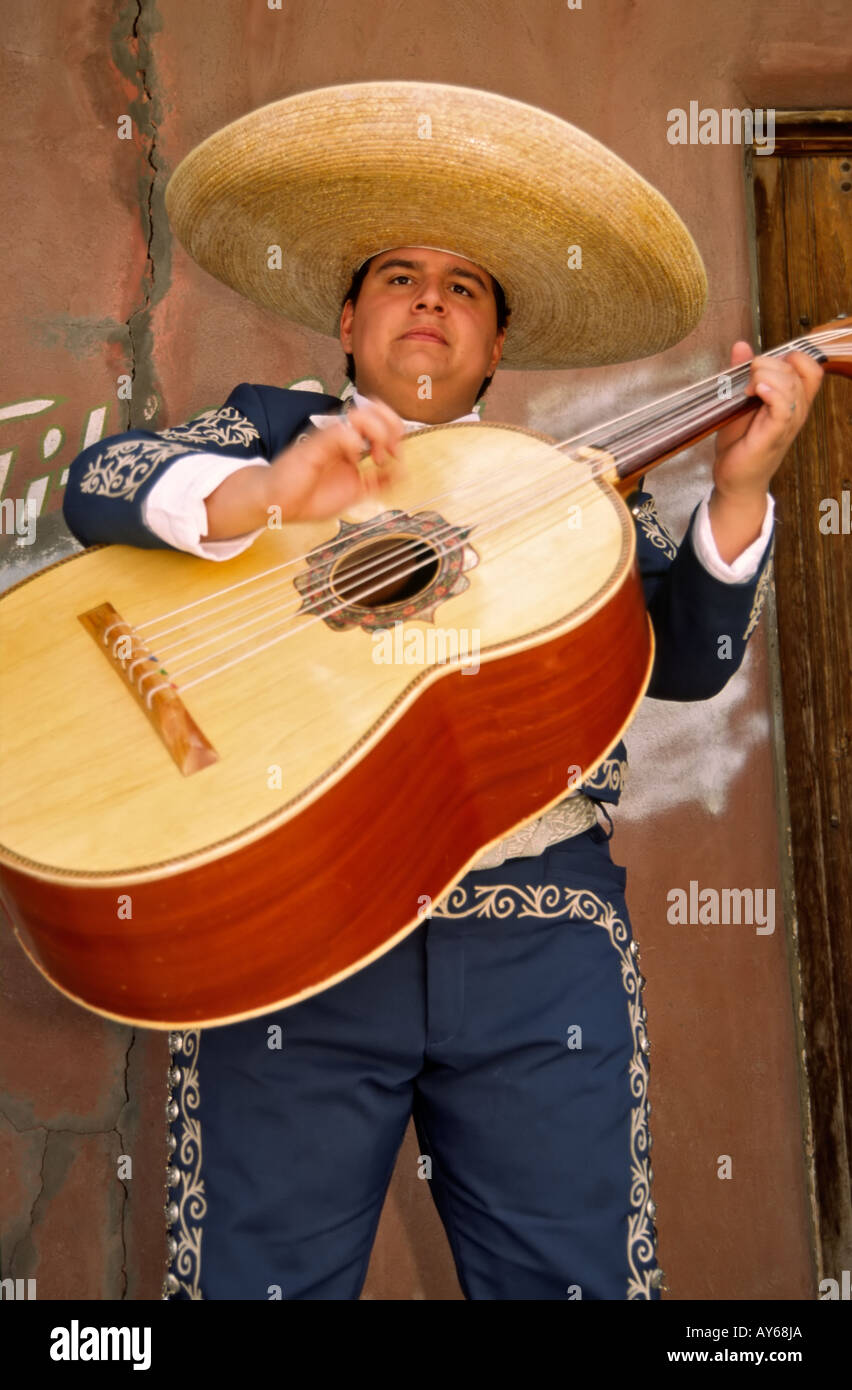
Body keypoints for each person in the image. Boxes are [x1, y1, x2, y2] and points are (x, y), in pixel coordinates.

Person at [62, 83, 824, 1300]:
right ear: (351, 318)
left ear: (496, 344)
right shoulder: (264, 428)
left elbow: (688, 661)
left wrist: (738, 491)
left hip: (539, 940)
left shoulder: (570, 485)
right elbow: (104, 478)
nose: (431, 299)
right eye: (402, 276)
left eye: (465, 286)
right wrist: (268, 494)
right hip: (294, 918)